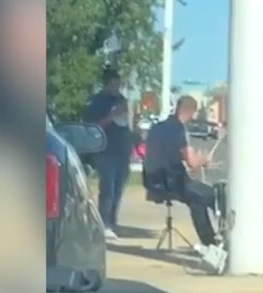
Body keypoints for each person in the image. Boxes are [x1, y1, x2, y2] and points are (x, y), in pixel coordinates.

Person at [143, 95, 226, 271]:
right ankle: (221, 242)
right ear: (189, 111)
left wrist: (196, 162)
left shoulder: (157, 128)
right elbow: (192, 162)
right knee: (215, 195)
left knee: (197, 200)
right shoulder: (179, 129)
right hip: (173, 182)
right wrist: (205, 160)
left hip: (154, 180)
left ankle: (210, 244)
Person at [82, 68, 134, 239]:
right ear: (106, 84)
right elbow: (92, 126)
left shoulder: (122, 100)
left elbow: (126, 124)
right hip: (105, 150)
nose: (116, 87)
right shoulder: (97, 102)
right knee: (107, 188)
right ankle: (103, 223)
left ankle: (112, 221)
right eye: (113, 84)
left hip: (122, 150)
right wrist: (112, 116)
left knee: (118, 189)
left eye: (118, 84)